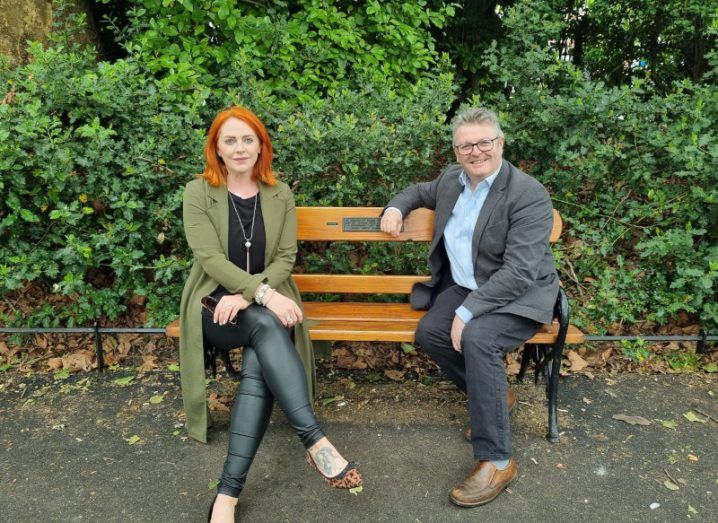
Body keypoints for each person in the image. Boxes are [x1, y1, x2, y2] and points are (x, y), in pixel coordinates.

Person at [179, 106, 362, 522]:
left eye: (248, 139)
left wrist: (253, 295)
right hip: (213, 305)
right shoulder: (198, 192)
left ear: (261, 145)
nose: (240, 147)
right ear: (217, 150)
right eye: (230, 140)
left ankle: (227, 494)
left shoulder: (280, 194)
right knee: (267, 322)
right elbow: (208, 257)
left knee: (261, 347)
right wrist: (260, 294)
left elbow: (285, 257)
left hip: (261, 304)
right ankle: (315, 441)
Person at [380, 107, 558, 507]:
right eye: (466, 145)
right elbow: (416, 192)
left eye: (483, 143)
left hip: (518, 295)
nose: (475, 152)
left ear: (500, 143)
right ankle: (497, 397)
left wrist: (467, 311)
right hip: (466, 287)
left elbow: (519, 272)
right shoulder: (451, 180)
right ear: (456, 150)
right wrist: (395, 207)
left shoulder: (528, 194)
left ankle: (497, 459)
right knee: (429, 332)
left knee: (477, 337)